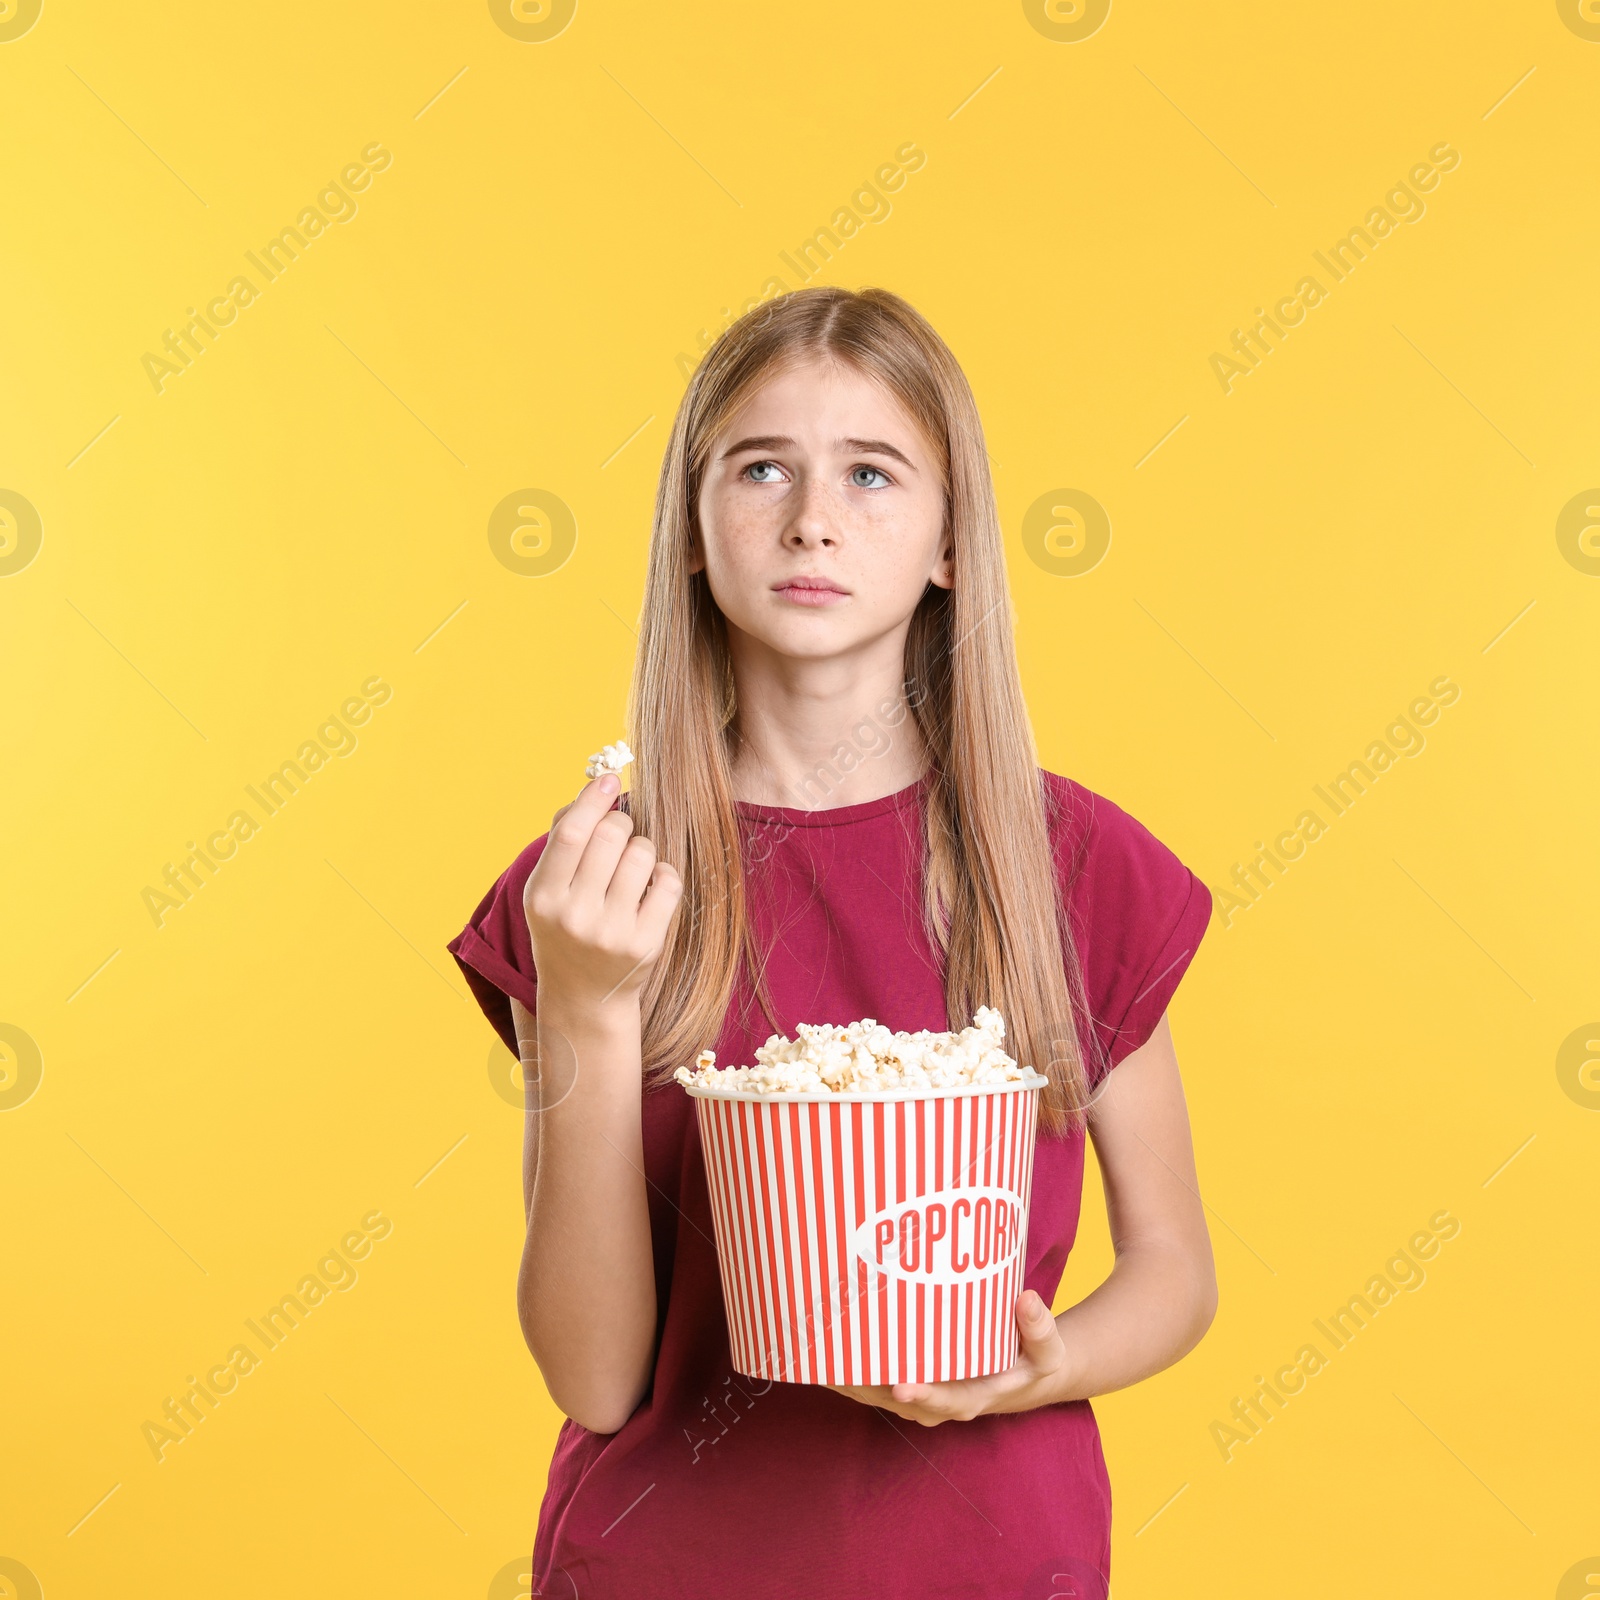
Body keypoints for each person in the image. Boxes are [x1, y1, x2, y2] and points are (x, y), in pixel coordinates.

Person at [447, 285, 1217, 1598]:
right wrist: (583, 1007)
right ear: (690, 534)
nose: (813, 518)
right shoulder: (593, 885)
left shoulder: (1069, 872)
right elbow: (592, 1373)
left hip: (991, 1558)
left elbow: (1172, 1267)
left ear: (951, 545)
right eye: (762, 469)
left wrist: (1046, 1367)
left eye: (871, 473)